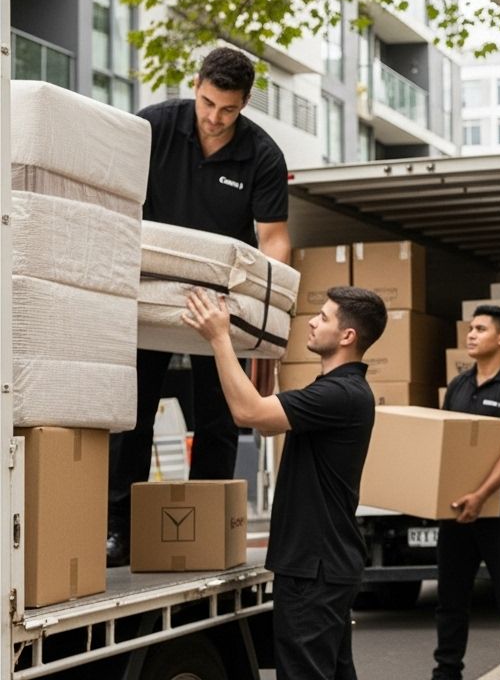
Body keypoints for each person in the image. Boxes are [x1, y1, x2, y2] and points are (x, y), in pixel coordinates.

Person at [108, 46, 292, 566]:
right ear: (196, 85)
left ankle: (204, 526)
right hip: (149, 293)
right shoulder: (152, 127)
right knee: (132, 411)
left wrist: (261, 317)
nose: (214, 118)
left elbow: (275, 240)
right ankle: (118, 529)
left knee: (219, 417)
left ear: (245, 103)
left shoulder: (263, 155)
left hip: (219, 304)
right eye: (208, 103)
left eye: (228, 109)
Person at [182, 285, 387, 680]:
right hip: (324, 564)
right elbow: (266, 415)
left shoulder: (341, 394)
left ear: (348, 336)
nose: (312, 321)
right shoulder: (339, 391)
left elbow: (249, 412)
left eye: (323, 317)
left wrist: (220, 338)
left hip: (314, 567)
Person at [433, 305, 500, 680]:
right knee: (450, 597)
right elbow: (449, 444)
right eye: (470, 329)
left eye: (480, 329)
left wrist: (480, 495)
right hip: (457, 510)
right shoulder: (459, 386)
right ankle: (446, 671)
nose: (471, 335)